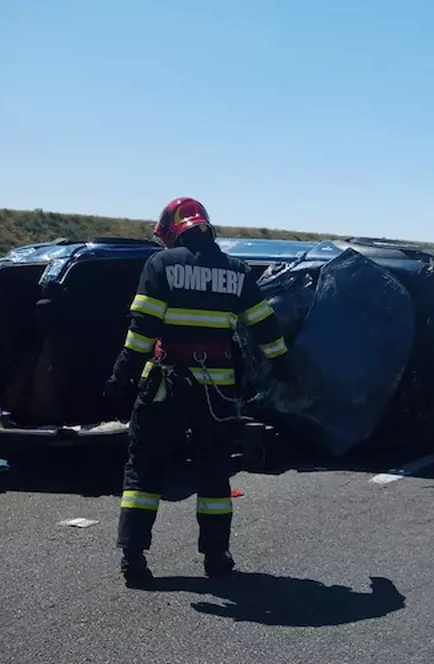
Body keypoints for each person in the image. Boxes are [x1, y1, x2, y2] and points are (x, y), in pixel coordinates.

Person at [103, 196, 297, 586]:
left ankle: (134, 557)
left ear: (172, 230)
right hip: (218, 390)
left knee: (144, 469)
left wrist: (119, 377)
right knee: (213, 473)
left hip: (166, 386)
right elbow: (264, 326)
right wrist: (283, 367)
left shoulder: (161, 264)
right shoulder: (237, 271)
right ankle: (216, 556)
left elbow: (142, 329)